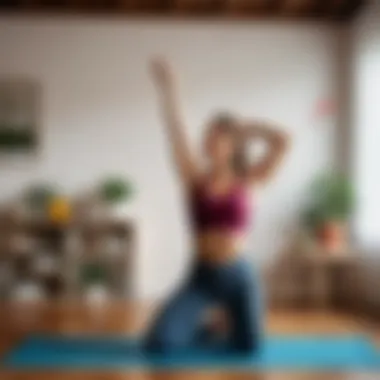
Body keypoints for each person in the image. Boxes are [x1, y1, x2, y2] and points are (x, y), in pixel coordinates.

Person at [143, 58, 290, 355]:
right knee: (159, 343)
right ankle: (209, 325)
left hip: (239, 277)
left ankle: (229, 319)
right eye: (207, 134)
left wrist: (246, 128)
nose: (209, 139)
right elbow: (176, 131)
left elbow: (283, 140)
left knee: (249, 347)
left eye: (217, 135)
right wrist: (169, 88)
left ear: (232, 145)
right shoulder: (193, 177)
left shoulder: (249, 179)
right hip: (201, 276)